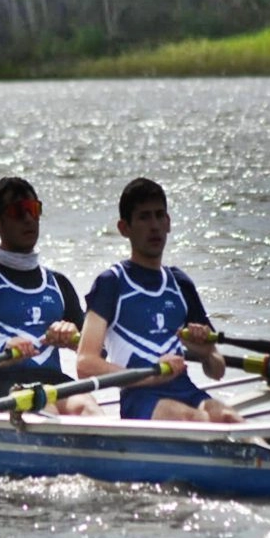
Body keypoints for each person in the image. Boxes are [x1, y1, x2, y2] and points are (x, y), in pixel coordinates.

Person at [77, 177, 241, 422]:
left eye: (159, 215)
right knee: (197, 420)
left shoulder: (180, 283)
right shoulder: (111, 283)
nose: (154, 226)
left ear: (168, 223)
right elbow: (85, 364)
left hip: (186, 390)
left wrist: (205, 352)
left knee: (228, 417)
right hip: (141, 399)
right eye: (144, 217)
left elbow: (217, 370)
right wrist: (149, 376)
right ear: (124, 228)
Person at [0, 177, 103, 416]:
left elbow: (99, 353)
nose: (28, 219)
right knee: (47, 410)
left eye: (33, 209)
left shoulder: (59, 284)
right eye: (17, 212)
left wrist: (75, 340)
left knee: (89, 408)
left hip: (55, 383)